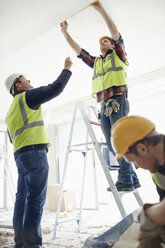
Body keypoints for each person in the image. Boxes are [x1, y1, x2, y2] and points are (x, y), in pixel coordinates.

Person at [60, 0, 140, 192]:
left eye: (105, 41)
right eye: (100, 42)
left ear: (113, 46)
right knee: (112, 145)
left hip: (118, 101)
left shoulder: (119, 55)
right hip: (104, 105)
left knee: (119, 141)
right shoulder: (96, 62)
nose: (102, 43)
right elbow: (79, 51)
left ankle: (126, 181)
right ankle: (132, 179)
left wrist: (101, 10)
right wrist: (65, 33)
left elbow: (115, 33)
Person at [5, 57, 72, 248]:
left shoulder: (10, 112)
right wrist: (67, 68)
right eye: (26, 79)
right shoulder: (28, 96)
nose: (29, 81)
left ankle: (21, 242)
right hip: (35, 154)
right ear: (18, 85)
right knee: (35, 198)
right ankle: (32, 244)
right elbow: (55, 88)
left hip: (20, 156)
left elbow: (12, 138)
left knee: (22, 199)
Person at [111, 115, 165, 247]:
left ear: (142, 148)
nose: (135, 166)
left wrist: (150, 217)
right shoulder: (158, 170)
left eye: (132, 160)